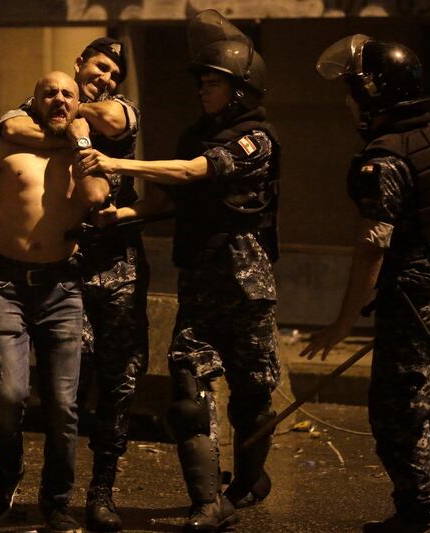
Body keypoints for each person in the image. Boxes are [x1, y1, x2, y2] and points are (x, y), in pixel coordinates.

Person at [80, 10, 280, 532]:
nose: (203, 91)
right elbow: (170, 195)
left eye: (213, 83)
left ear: (239, 90)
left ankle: (247, 483)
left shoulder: (254, 139)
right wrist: (117, 215)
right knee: (187, 393)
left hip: (245, 285)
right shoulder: (196, 133)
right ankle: (207, 503)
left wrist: (118, 165)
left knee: (253, 395)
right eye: (203, 82)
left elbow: (197, 171)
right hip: (198, 280)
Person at [301, 35, 430, 533]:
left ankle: (417, 518)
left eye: (353, 91)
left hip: (420, 302)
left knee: (398, 416)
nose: (346, 101)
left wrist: (341, 323)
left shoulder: (383, 162)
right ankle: (424, 501)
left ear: (375, 95)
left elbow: (372, 247)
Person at [0, 71, 106, 533]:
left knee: (63, 404)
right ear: (32, 100)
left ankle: (56, 500)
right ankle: (8, 470)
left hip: (63, 288)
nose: (58, 99)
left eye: (67, 93)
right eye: (49, 92)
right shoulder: (5, 147)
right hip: (7, 284)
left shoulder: (84, 154)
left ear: (78, 105)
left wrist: (81, 144)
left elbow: (96, 198)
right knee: (9, 393)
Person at [0, 37, 147, 532]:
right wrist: (66, 134)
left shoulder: (118, 109)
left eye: (112, 75)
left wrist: (72, 117)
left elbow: (110, 122)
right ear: (79, 64)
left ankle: (101, 492)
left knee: (118, 386)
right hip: (72, 269)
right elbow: (8, 124)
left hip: (119, 267)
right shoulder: (52, 105)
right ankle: (53, 495)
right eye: (99, 67)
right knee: (67, 394)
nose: (105, 78)